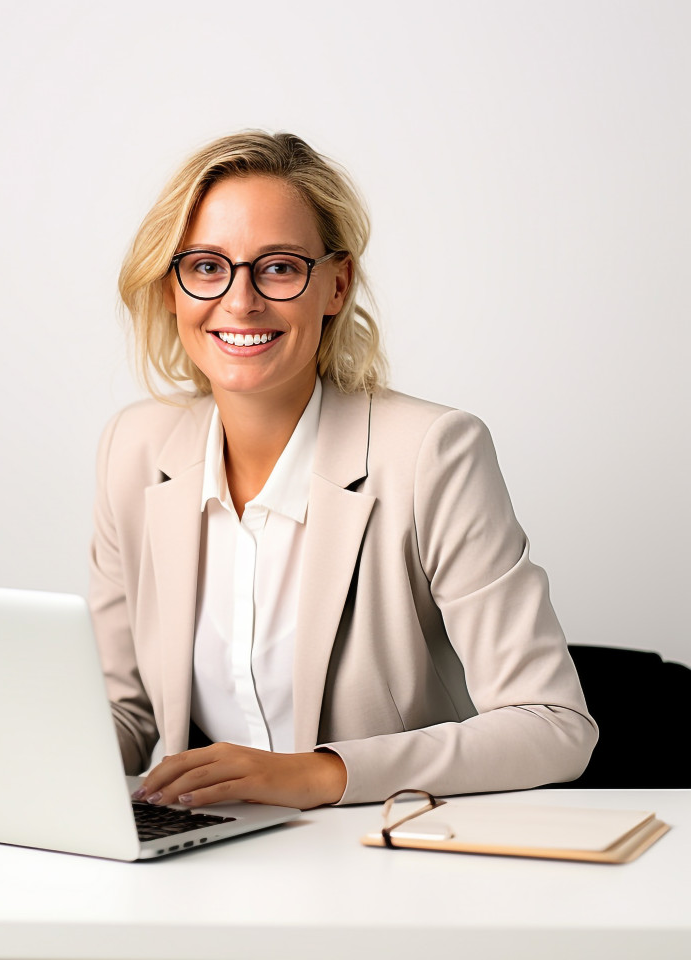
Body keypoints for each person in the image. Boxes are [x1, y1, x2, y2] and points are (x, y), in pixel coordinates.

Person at [89, 130, 597, 810]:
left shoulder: (432, 455)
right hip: (204, 859)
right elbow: (124, 716)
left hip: (384, 861)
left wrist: (316, 773)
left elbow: (555, 727)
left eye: (278, 267)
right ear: (173, 287)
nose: (240, 302)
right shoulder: (134, 449)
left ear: (335, 284)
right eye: (207, 266)